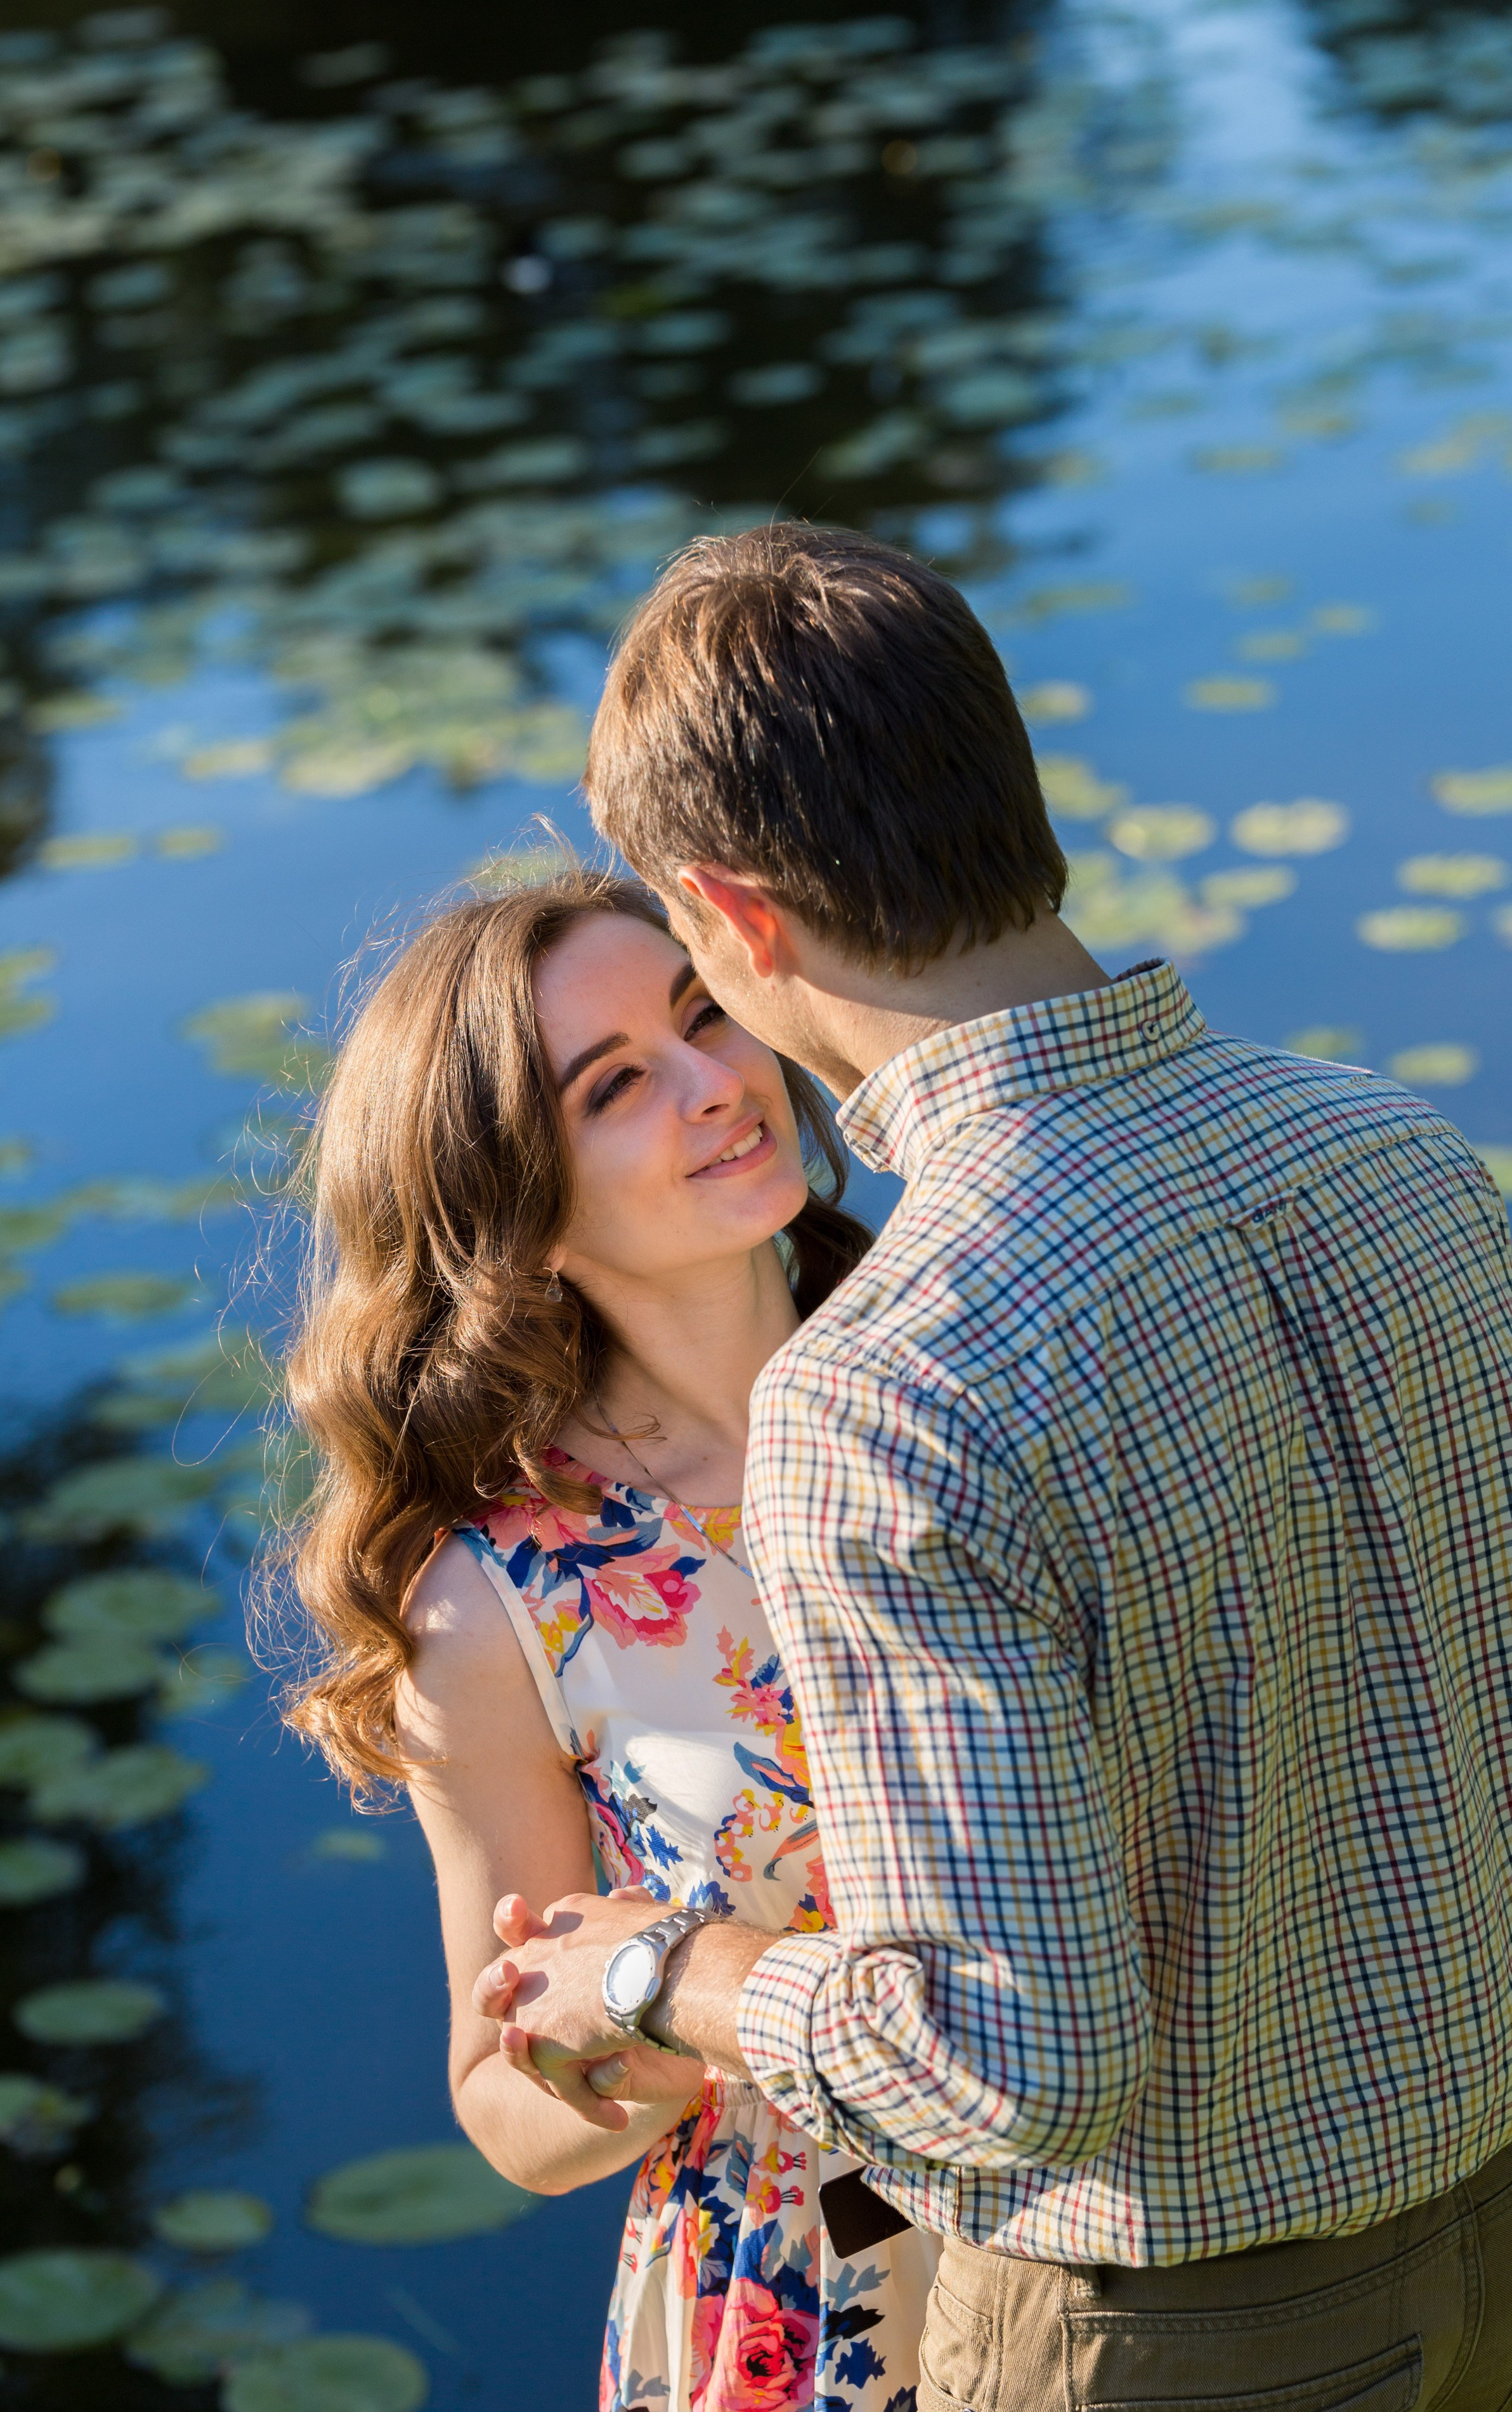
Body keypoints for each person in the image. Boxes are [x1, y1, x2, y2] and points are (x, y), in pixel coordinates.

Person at [476, 523, 1512, 2408]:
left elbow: (1004, 2068)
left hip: (1194, 2323)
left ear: (737, 916)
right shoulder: (1406, 1157)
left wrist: (663, 1975)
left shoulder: (884, 1388)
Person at [278, 866, 943, 2412]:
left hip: (1128, 2225)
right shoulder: (499, 1593)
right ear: (521, 1211)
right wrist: (623, 2052)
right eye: (621, 1083)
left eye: (704, 1011)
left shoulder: (958, 1365)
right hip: (808, 2297)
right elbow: (504, 2109)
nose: (715, 1086)